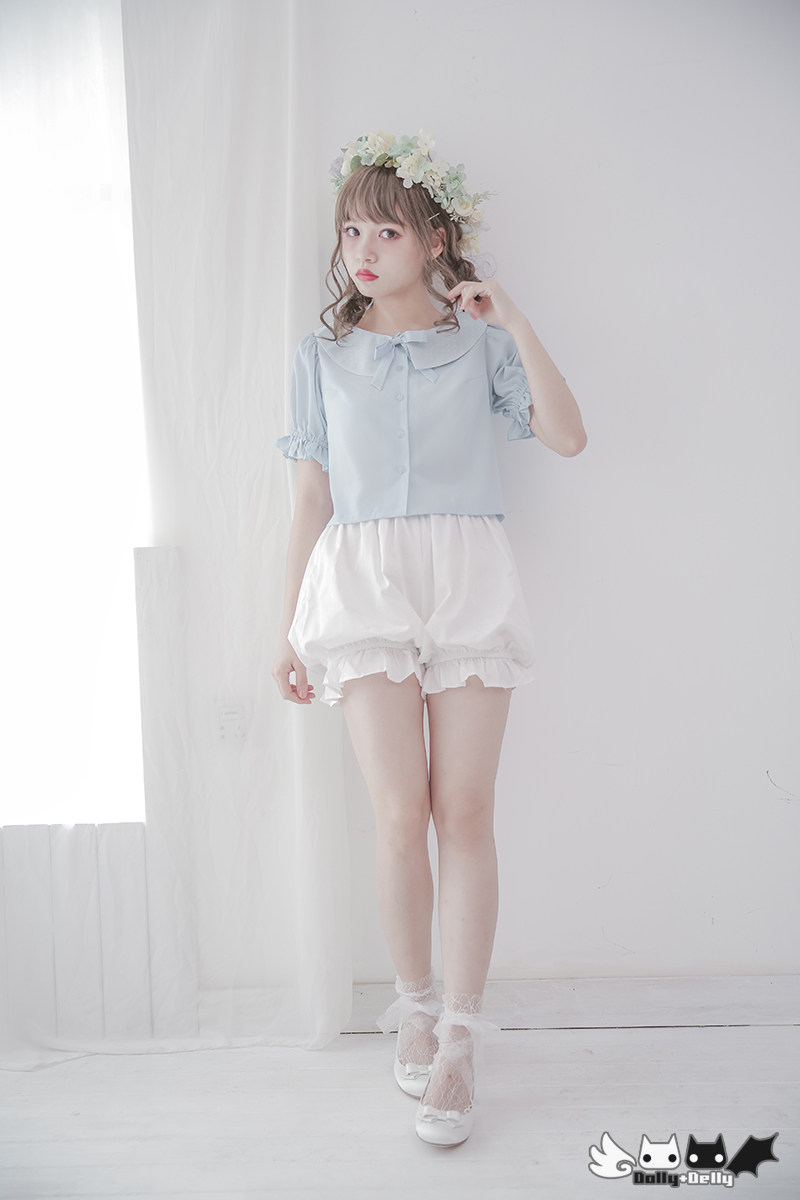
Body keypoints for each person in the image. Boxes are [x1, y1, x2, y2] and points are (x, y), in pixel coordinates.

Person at [272, 130, 587, 1146]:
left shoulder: (481, 343)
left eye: (387, 232)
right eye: (350, 232)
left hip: (465, 576)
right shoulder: (322, 358)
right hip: (362, 581)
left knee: (465, 809)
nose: (362, 251)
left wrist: (514, 319)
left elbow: (566, 436)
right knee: (398, 813)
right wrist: (288, 629)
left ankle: (459, 1038)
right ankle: (411, 1007)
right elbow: (310, 499)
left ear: (434, 240)